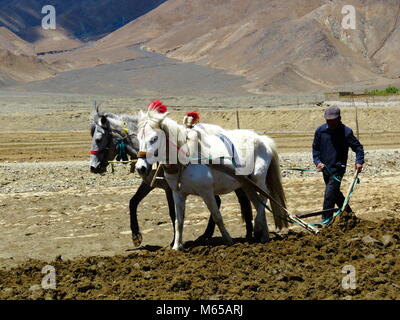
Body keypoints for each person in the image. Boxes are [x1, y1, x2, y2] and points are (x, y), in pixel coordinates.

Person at [312, 106, 364, 223]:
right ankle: (349, 214)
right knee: (335, 193)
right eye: (328, 120)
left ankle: (326, 221)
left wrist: (359, 161)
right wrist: (317, 162)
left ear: (339, 118)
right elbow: (315, 149)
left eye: (333, 120)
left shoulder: (346, 132)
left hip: (338, 168)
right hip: (325, 169)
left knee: (329, 195)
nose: (330, 123)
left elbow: (358, 148)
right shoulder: (320, 131)